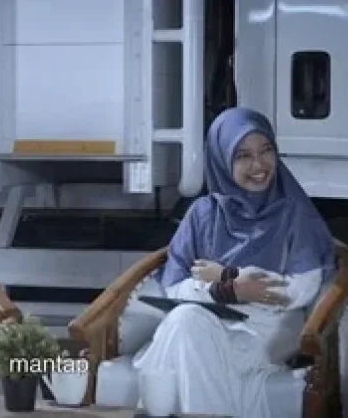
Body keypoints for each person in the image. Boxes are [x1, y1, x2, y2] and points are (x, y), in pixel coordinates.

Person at [132, 107, 336, 417]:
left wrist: (228, 274)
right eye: (242, 156)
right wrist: (227, 290)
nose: (258, 165)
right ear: (221, 160)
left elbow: (299, 291)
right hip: (208, 318)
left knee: (184, 329)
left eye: (266, 151)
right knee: (185, 321)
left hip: (269, 327)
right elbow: (173, 287)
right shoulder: (203, 213)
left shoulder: (294, 213)